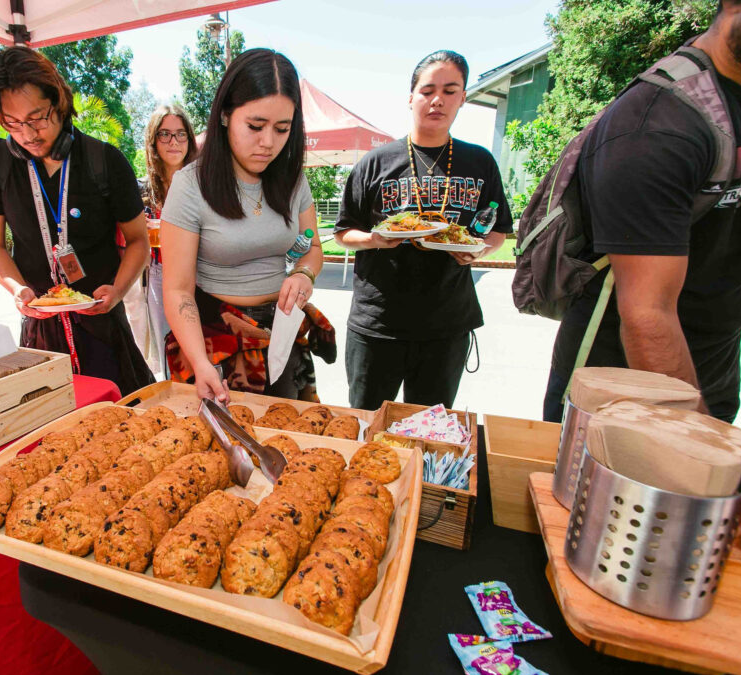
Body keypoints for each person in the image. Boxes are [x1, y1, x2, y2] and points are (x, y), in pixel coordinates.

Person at [543, 1, 741, 424]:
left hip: (715, 358)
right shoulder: (659, 122)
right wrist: (704, 443)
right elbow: (647, 315)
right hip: (621, 381)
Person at [0, 46, 154, 394]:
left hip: (103, 326)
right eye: (13, 123)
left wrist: (118, 291)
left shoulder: (104, 160)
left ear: (59, 101)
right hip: (40, 330)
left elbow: (138, 241)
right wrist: (17, 289)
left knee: (119, 421)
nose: (28, 134)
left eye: (38, 117)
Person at [334, 50, 511, 411]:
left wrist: (478, 250)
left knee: (428, 428)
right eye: (428, 89)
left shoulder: (479, 162)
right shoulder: (376, 162)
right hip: (377, 323)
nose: (437, 100)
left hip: (446, 325)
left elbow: (498, 232)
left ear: (463, 98)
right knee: (367, 421)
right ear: (411, 96)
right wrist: (373, 239)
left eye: (450, 90)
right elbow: (343, 232)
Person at [161, 48, 329, 402]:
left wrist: (304, 275)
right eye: (255, 126)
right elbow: (177, 290)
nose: (268, 142)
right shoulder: (191, 185)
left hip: (281, 334)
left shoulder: (293, 179)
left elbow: (311, 247)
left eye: (282, 129)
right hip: (216, 342)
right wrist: (200, 361)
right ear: (225, 115)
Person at [124, 104, 200, 377]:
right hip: (159, 273)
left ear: (189, 140)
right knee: (168, 344)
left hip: (199, 271)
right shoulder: (140, 189)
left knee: (203, 343)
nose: (173, 142)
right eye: (165, 134)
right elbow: (127, 240)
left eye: (181, 134)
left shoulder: (202, 185)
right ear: (153, 140)